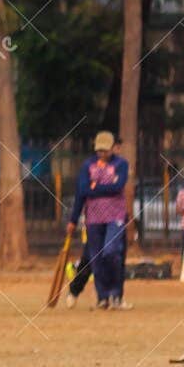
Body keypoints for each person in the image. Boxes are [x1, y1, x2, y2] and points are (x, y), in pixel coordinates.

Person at [64, 131, 130, 310]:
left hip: (115, 217)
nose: (101, 153)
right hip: (93, 219)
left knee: (111, 252)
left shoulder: (121, 164)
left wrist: (94, 186)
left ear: (112, 148)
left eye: (105, 150)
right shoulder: (88, 165)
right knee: (94, 258)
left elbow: (118, 187)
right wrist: (73, 219)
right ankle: (102, 298)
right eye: (99, 150)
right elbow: (82, 191)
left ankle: (116, 294)